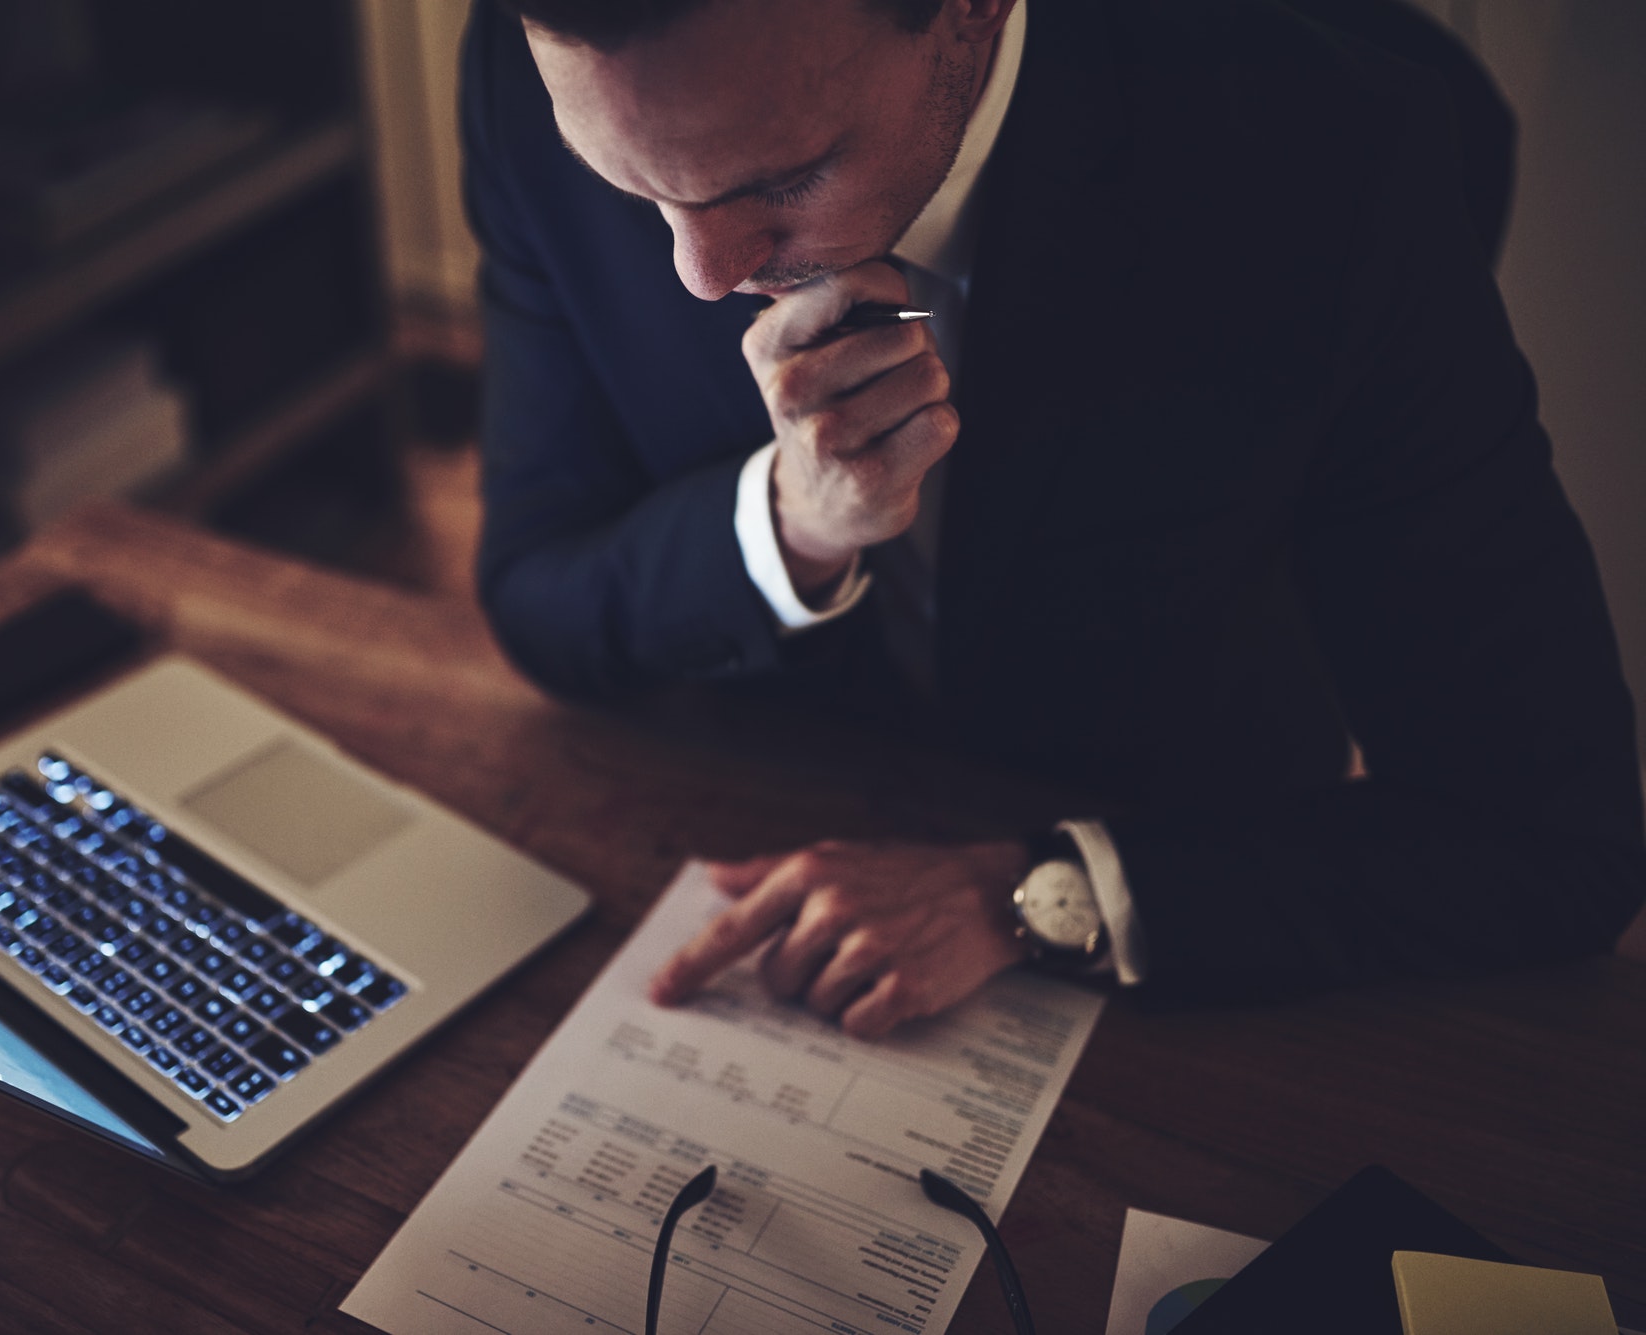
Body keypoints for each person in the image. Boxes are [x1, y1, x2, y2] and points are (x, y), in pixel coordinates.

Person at [459, 0, 1646, 1033]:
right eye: (630, 187)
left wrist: (1037, 894)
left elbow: (1551, 841)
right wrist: (789, 522)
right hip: (757, 816)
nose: (701, 274)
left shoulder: (1338, 156)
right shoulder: (537, 75)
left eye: (779, 179)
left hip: (1178, 867)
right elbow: (535, 592)